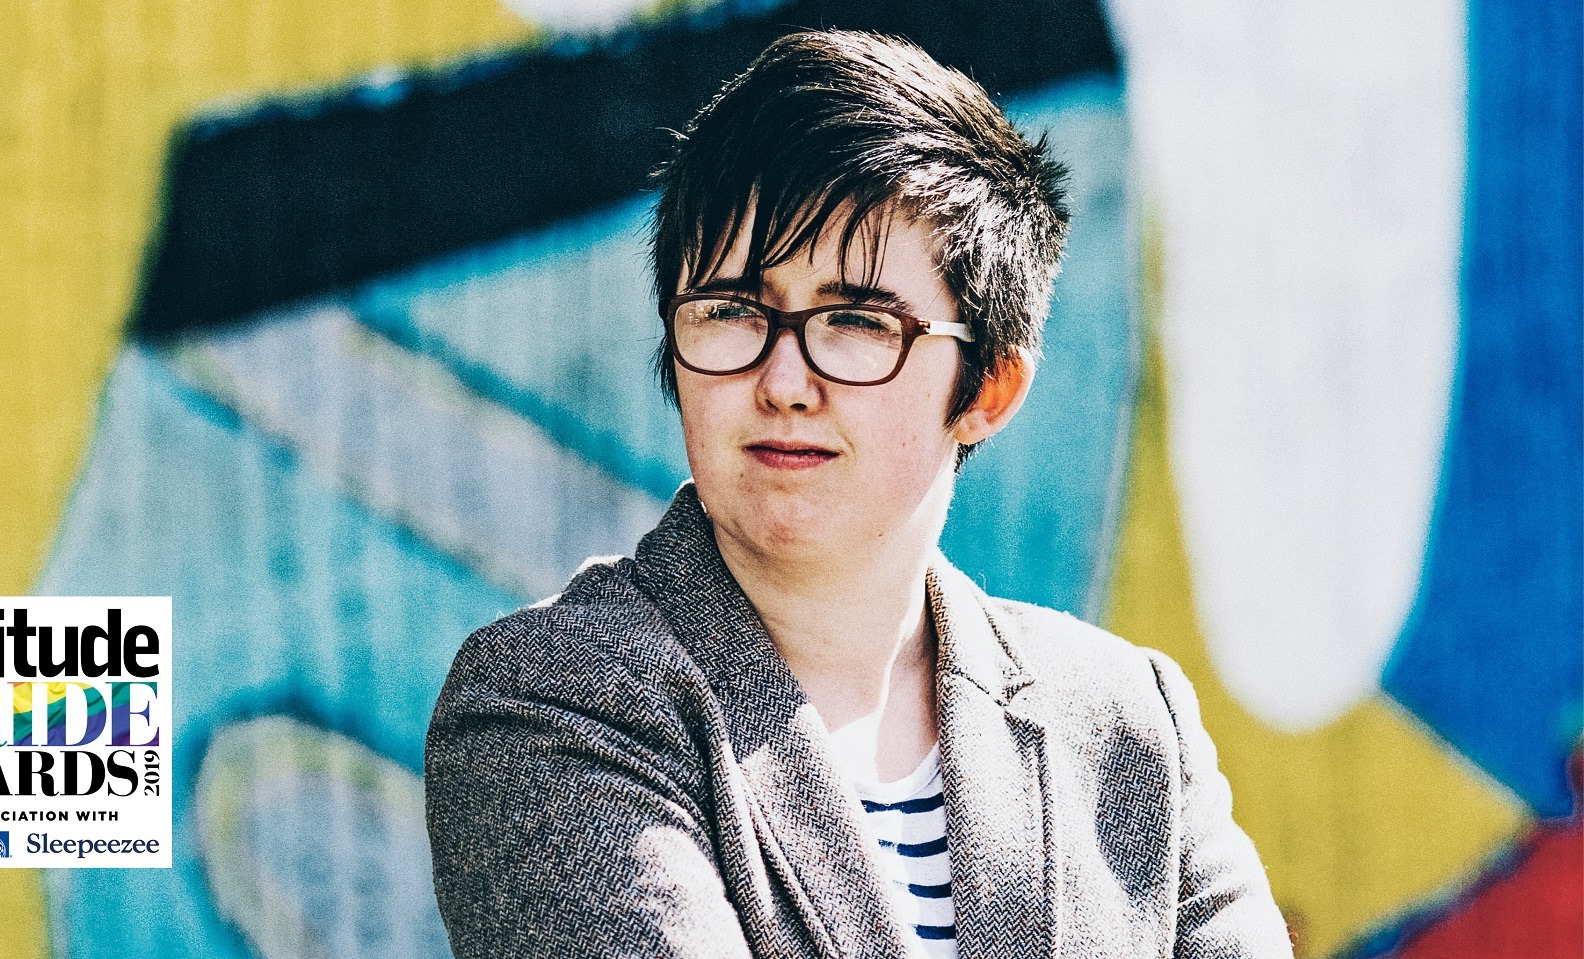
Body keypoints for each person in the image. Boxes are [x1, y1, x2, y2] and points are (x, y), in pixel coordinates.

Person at [424, 29, 1292, 959]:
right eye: (730, 311)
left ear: (990, 387)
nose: (782, 381)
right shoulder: (553, 700)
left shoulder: (1124, 724)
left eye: (854, 322)